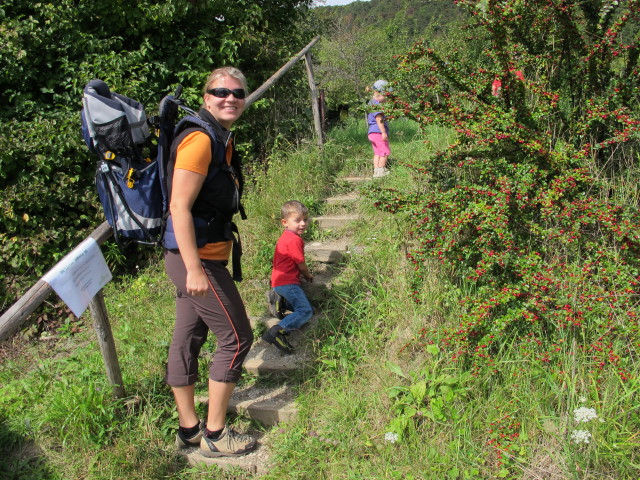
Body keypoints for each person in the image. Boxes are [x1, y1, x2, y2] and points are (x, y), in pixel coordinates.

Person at [164, 67, 256, 457]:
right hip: (196, 259)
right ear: (206, 98)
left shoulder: (220, 136)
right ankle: (216, 435)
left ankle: (189, 430)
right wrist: (195, 269)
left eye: (237, 93)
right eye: (220, 91)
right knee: (237, 339)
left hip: (198, 256)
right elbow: (179, 207)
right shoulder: (201, 140)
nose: (230, 98)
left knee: (188, 338)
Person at [263, 201, 314, 354]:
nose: (303, 223)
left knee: (305, 307)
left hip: (279, 282)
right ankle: (278, 332)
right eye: (297, 220)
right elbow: (301, 264)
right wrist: (307, 274)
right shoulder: (295, 240)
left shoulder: (285, 237)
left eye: (305, 219)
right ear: (284, 222)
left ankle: (280, 301)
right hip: (289, 283)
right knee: (306, 311)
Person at [367, 79, 392, 178]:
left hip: (371, 133)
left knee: (377, 153)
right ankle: (382, 171)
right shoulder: (376, 105)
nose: (386, 99)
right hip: (378, 132)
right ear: (379, 95)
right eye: (385, 97)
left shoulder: (371, 103)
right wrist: (384, 132)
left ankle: (376, 171)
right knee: (385, 152)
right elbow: (379, 119)